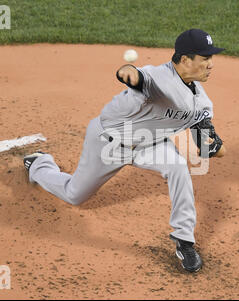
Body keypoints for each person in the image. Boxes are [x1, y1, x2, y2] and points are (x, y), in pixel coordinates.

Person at [23, 29, 226, 273]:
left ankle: (184, 241)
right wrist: (127, 73)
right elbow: (135, 75)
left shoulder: (202, 101)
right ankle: (39, 164)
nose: (211, 64)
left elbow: (213, 146)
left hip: (150, 145)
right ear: (185, 59)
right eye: (205, 58)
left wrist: (211, 146)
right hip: (107, 142)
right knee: (74, 195)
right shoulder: (158, 77)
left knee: (178, 167)